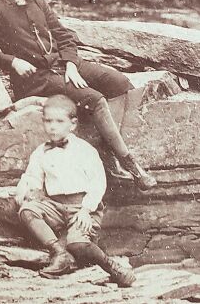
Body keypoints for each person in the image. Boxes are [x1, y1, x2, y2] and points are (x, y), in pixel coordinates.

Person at [0, 0, 156, 190]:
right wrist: (12, 61)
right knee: (95, 99)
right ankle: (129, 163)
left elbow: (64, 36)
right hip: (36, 78)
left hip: (62, 64)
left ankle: (108, 151)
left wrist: (70, 63)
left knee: (118, 81)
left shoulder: (39, 3)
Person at [16, 94, 135, 286]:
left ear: (72, 124)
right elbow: (32, 178)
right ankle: (58, 252)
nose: (52, 126)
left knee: (77, 243)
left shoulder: (84, 150)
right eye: (48, 121)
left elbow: (98, 183)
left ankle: (111, 266)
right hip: (55, 206)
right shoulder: (41, 152)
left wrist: (86, 210)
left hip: (82, 208)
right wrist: (24, 191)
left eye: (59, 121)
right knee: (27, 210)